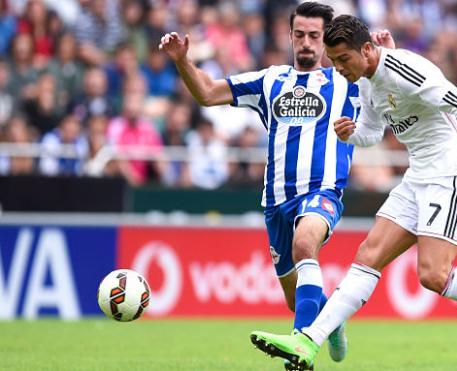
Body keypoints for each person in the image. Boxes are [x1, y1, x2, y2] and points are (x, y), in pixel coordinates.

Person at [250, 15, 457, 371]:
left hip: (452, 172)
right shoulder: (365, 80)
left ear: (366, 49)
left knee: (432, 275)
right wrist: (351, 134)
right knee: (368, 254)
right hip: (419, 174)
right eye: (333, 61)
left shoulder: (403, 69)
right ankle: (307, 341)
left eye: (343, 59)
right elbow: (371, 132)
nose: (338, 68)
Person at [159, 4, 394, 370]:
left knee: (305, 245)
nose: (306, 43)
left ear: (327, 39)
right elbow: (207, 93)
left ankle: (302, 347)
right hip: (276, 202)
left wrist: (386, 53)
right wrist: (181, 61)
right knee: (295, 297)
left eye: (314, 36)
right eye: (299, 35)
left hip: (323, 191)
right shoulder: (270, 80)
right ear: (289, 36)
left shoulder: (347, 79)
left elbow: (389, 82)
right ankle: (330, 319)